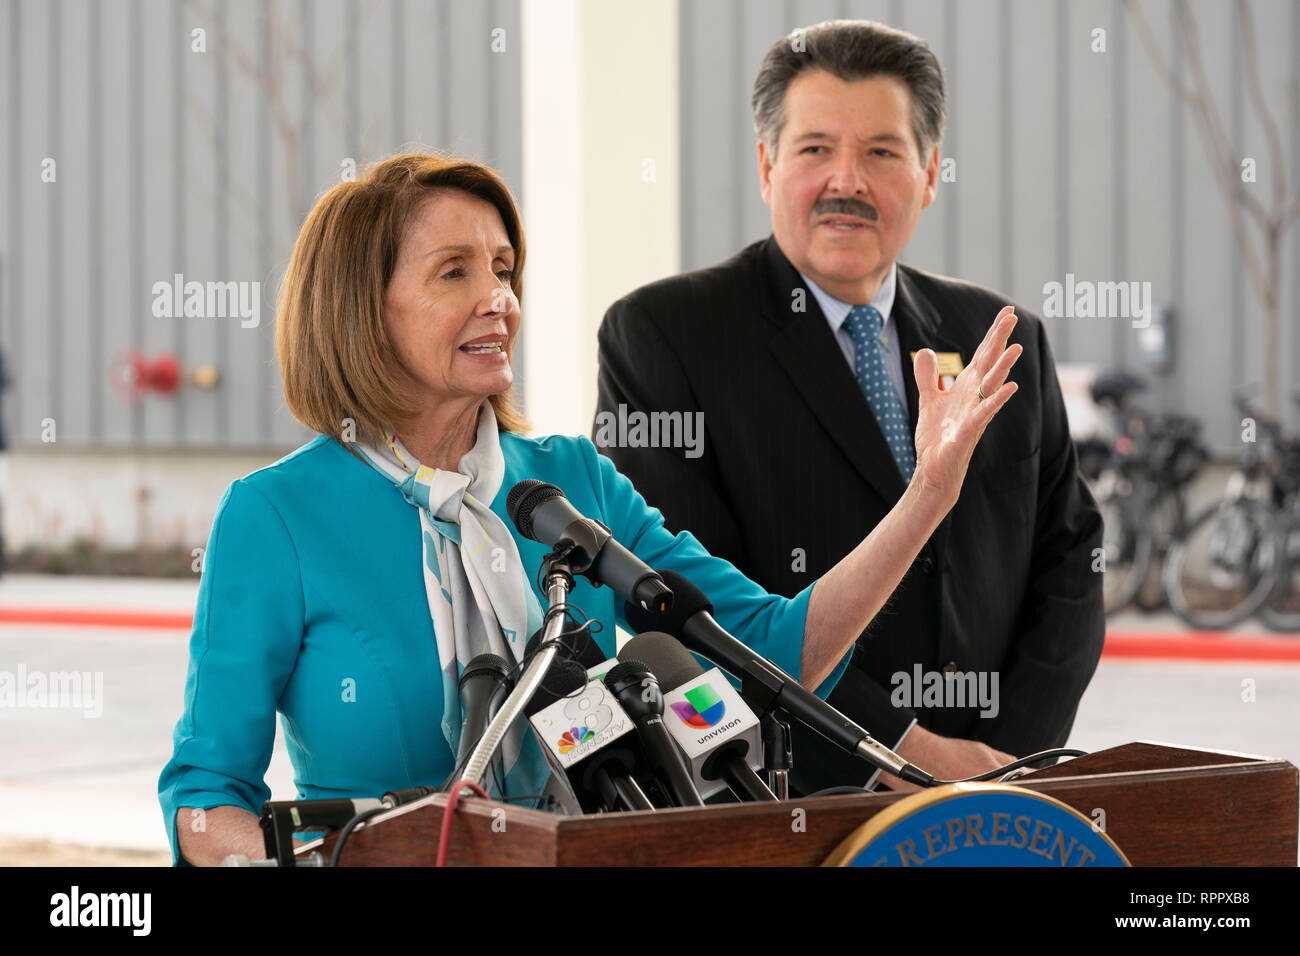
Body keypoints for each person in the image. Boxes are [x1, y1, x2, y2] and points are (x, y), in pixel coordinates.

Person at [158, 150, 1019, 865]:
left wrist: (927, 496)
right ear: (359, 311)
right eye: (454, 272)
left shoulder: (570, 481)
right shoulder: (275, 518)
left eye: (504, 269)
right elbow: (204, 802)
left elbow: (774, 650)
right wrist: (325, 861)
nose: (498, 296)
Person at [594, 19, 1104, 795]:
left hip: (999, 798)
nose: (848, 182)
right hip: (789, 791)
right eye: (815, 149)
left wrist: (1005, 763)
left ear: (930, 173)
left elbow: (1070, 564)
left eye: (882, 152)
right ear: (767, 167)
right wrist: (900, 750)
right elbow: (687, 599)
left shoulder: (1000, 336)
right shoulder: (665, 337)